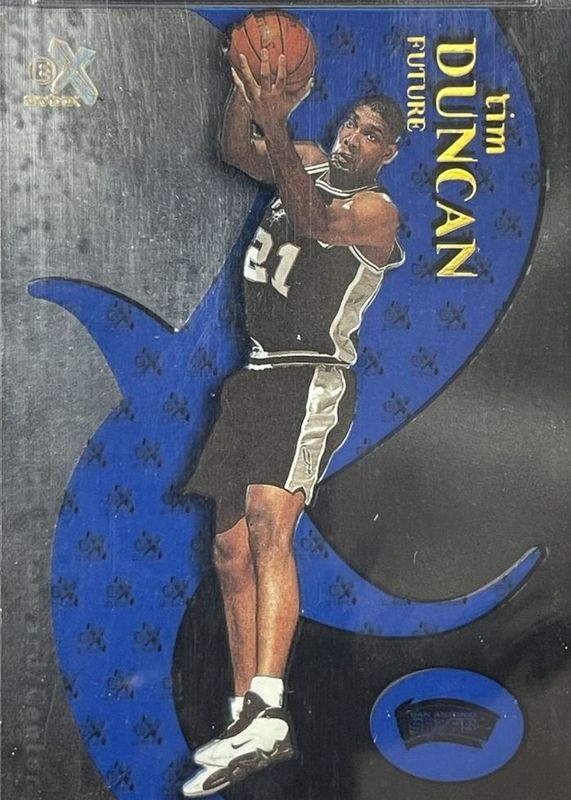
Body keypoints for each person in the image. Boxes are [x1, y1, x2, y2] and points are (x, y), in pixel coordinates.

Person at [182, 46, 405, 797]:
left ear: (387, 153)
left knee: (267, 525)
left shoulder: (376, 212)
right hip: (254, 375)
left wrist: (275, 126)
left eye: (371, 135)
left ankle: (270, 705)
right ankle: (246, 719)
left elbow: (310, 220)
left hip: (311, 376)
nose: (352, 138)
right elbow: (232, 149)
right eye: (352, 124)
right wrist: (247, 92)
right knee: (227, 551)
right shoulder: (303, 157)